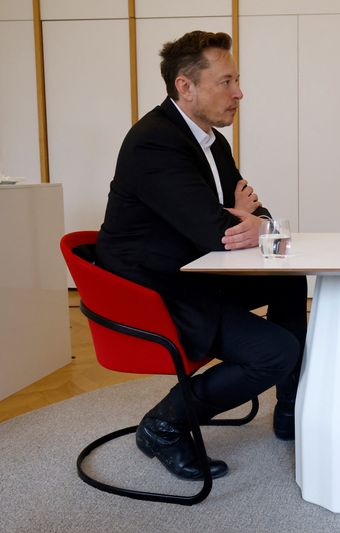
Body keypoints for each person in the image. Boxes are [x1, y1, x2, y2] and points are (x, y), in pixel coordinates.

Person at [96, 31, 307, 480]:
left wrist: (256, 221)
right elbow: (217, 231)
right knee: (276, 351)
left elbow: (253, 211)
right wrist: (234, 218)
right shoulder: (154, 141)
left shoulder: (212, 141)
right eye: (226, 81)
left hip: (195, 269)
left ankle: (290, 408)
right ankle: (164, 424)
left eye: (238, 80)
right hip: (155, 289)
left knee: (290, 278)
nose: (239, 93)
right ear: (185, 86)